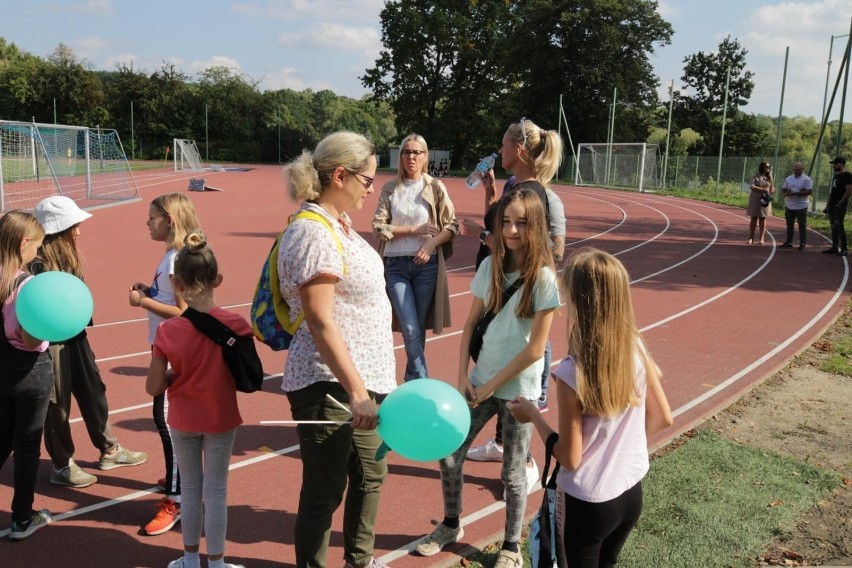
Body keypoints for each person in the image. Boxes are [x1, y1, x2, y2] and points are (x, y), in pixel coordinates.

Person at [416, 189, 560, 568]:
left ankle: (511, 546)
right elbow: (468, 326)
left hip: (517, 393)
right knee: (449, 454)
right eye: (506, 222)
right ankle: (450, 525)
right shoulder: (489, 268)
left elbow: (534, 351)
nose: (512, 230)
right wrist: (462, 375)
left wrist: (489, 386)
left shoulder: (543, 279)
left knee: (513, 473)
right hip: (478, 385)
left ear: (536, 227)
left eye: (521, 223)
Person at [508, 247, 673, 568]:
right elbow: (663, 417)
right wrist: (618, 448)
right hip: (630, 493)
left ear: (579, 302)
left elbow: (571, 457)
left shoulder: (572, 372)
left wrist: (532, 416)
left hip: (589, 500)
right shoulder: (635, 345)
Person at [278, 132, 396, 568]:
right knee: (325, 490)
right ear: (340, 175)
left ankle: (358, 561)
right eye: (367, 178)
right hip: (330, 384)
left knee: (371, 476)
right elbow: (320, 319)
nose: (372, 187)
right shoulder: (313, 232)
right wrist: (356, 390)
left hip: (362, 382)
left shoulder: (338, 225)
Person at [465, 117, 565, 473]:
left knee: (515, 382)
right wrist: (491, 196)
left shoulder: (533, 194)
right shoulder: (514, 186)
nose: (499, 151)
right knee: (497, 369)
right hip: (498, 288)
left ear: (518, 149)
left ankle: (523, 461)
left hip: (514, 295)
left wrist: (481, 236)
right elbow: (501, 230)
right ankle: (507, 448)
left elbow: (527, 250)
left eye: (504, 145)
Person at [31, 196, 147, 489]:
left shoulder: (67, 257)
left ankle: (110, 449)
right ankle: (62, 464)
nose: (79, 232)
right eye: (74, 226)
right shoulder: (37, 262)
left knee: (93, 389)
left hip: (76, 334)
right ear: (59, 230)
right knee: (57, 402)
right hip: (51, 341)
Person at [146, 230, 245, 568]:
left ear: (176, 283)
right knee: (216, 490)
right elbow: (244, 374)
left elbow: (153, 386)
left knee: (189, 488)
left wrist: (174, 375)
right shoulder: (236, 325)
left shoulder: (168, 330)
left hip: (183, 418)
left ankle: (189, 560)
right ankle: (216, 563)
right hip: (221, 417)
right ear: (217, 279)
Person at [129, 193, 200, 536]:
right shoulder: (171, 257)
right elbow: (170, 298)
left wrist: (142, 301)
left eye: (152, 218)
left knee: (166, 420)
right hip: (167, 347)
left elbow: (183, 312)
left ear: (169, 220)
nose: (147, 223)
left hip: (176, 351)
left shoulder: (176, 260)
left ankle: (177, 497)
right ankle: (178, 476)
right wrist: (150, 292)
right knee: (167, 418)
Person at [372, 134, 458, 381]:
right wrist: (413, 230)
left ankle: (411, 382)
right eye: (406, 152)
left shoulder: (435, 187)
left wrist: (431, 243)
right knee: (409, 328)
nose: (411, 157)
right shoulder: (390, 188)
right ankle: (422, 382)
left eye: (417, 152)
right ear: (400, 156)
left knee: (417, 330)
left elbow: (452, 225)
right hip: (395, 265)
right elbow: (378, 226)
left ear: (425, 157)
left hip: (426, 265)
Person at [0, 210, 52, 540]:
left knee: (1, 438)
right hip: (30, 371)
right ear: (24, 243)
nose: (39, 252)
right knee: (27, 446)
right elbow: (33, 341)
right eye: (37, 246)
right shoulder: (27, 285)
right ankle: (22, 518)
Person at [823, 157, 852, 256]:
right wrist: (827, 205)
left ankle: (844, 248)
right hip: (832, 205)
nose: (833, 166)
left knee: (839, 225)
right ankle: (834, 247)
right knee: (833, 226)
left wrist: (840, 203)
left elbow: (849, 191)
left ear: (841, 164)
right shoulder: (836, 177)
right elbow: (832, 192)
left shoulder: (847, 176)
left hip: (840, 206)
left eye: (835, 164)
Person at [780, 162, 813, 250]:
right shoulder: (789, 178)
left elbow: (809, 191)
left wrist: (797, 193)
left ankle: (802, 242)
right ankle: (789, 242)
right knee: (789, 224)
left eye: (798, 170)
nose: (796, 171)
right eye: (795, 170)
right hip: (790, 204)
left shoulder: (807, 179)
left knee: (801, 224)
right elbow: (783, 189)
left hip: (801, 205)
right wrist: (786, 193)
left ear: (802, 169)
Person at [746, 161, 774, 245]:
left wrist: (772, 190)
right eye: (766, 167)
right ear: (762, 167)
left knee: (763, 218)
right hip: (755, 198)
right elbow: (752, 186)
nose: (768, 168)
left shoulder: (770, 177)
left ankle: (762, 238)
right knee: (753, 218)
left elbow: (772, 188)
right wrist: (763, 189)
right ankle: (751, 237)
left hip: (765, 200)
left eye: (769, 167)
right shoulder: (755, 175)